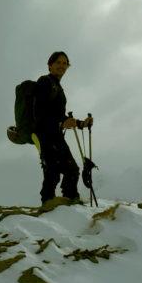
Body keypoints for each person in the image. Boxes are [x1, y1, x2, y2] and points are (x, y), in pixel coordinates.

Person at [32, 51, 92, 206]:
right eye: (58, 62)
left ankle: (71, 200)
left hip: (56, 135)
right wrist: (61, 124)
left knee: (71, 170)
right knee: (52, 171)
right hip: (44, 134)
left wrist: (80, 124)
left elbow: (60, 115)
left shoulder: (57, 86)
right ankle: (48, 203)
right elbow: (39, 113)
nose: (62, 66)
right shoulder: (45, 82)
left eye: (65, 63)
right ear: (50, 65)